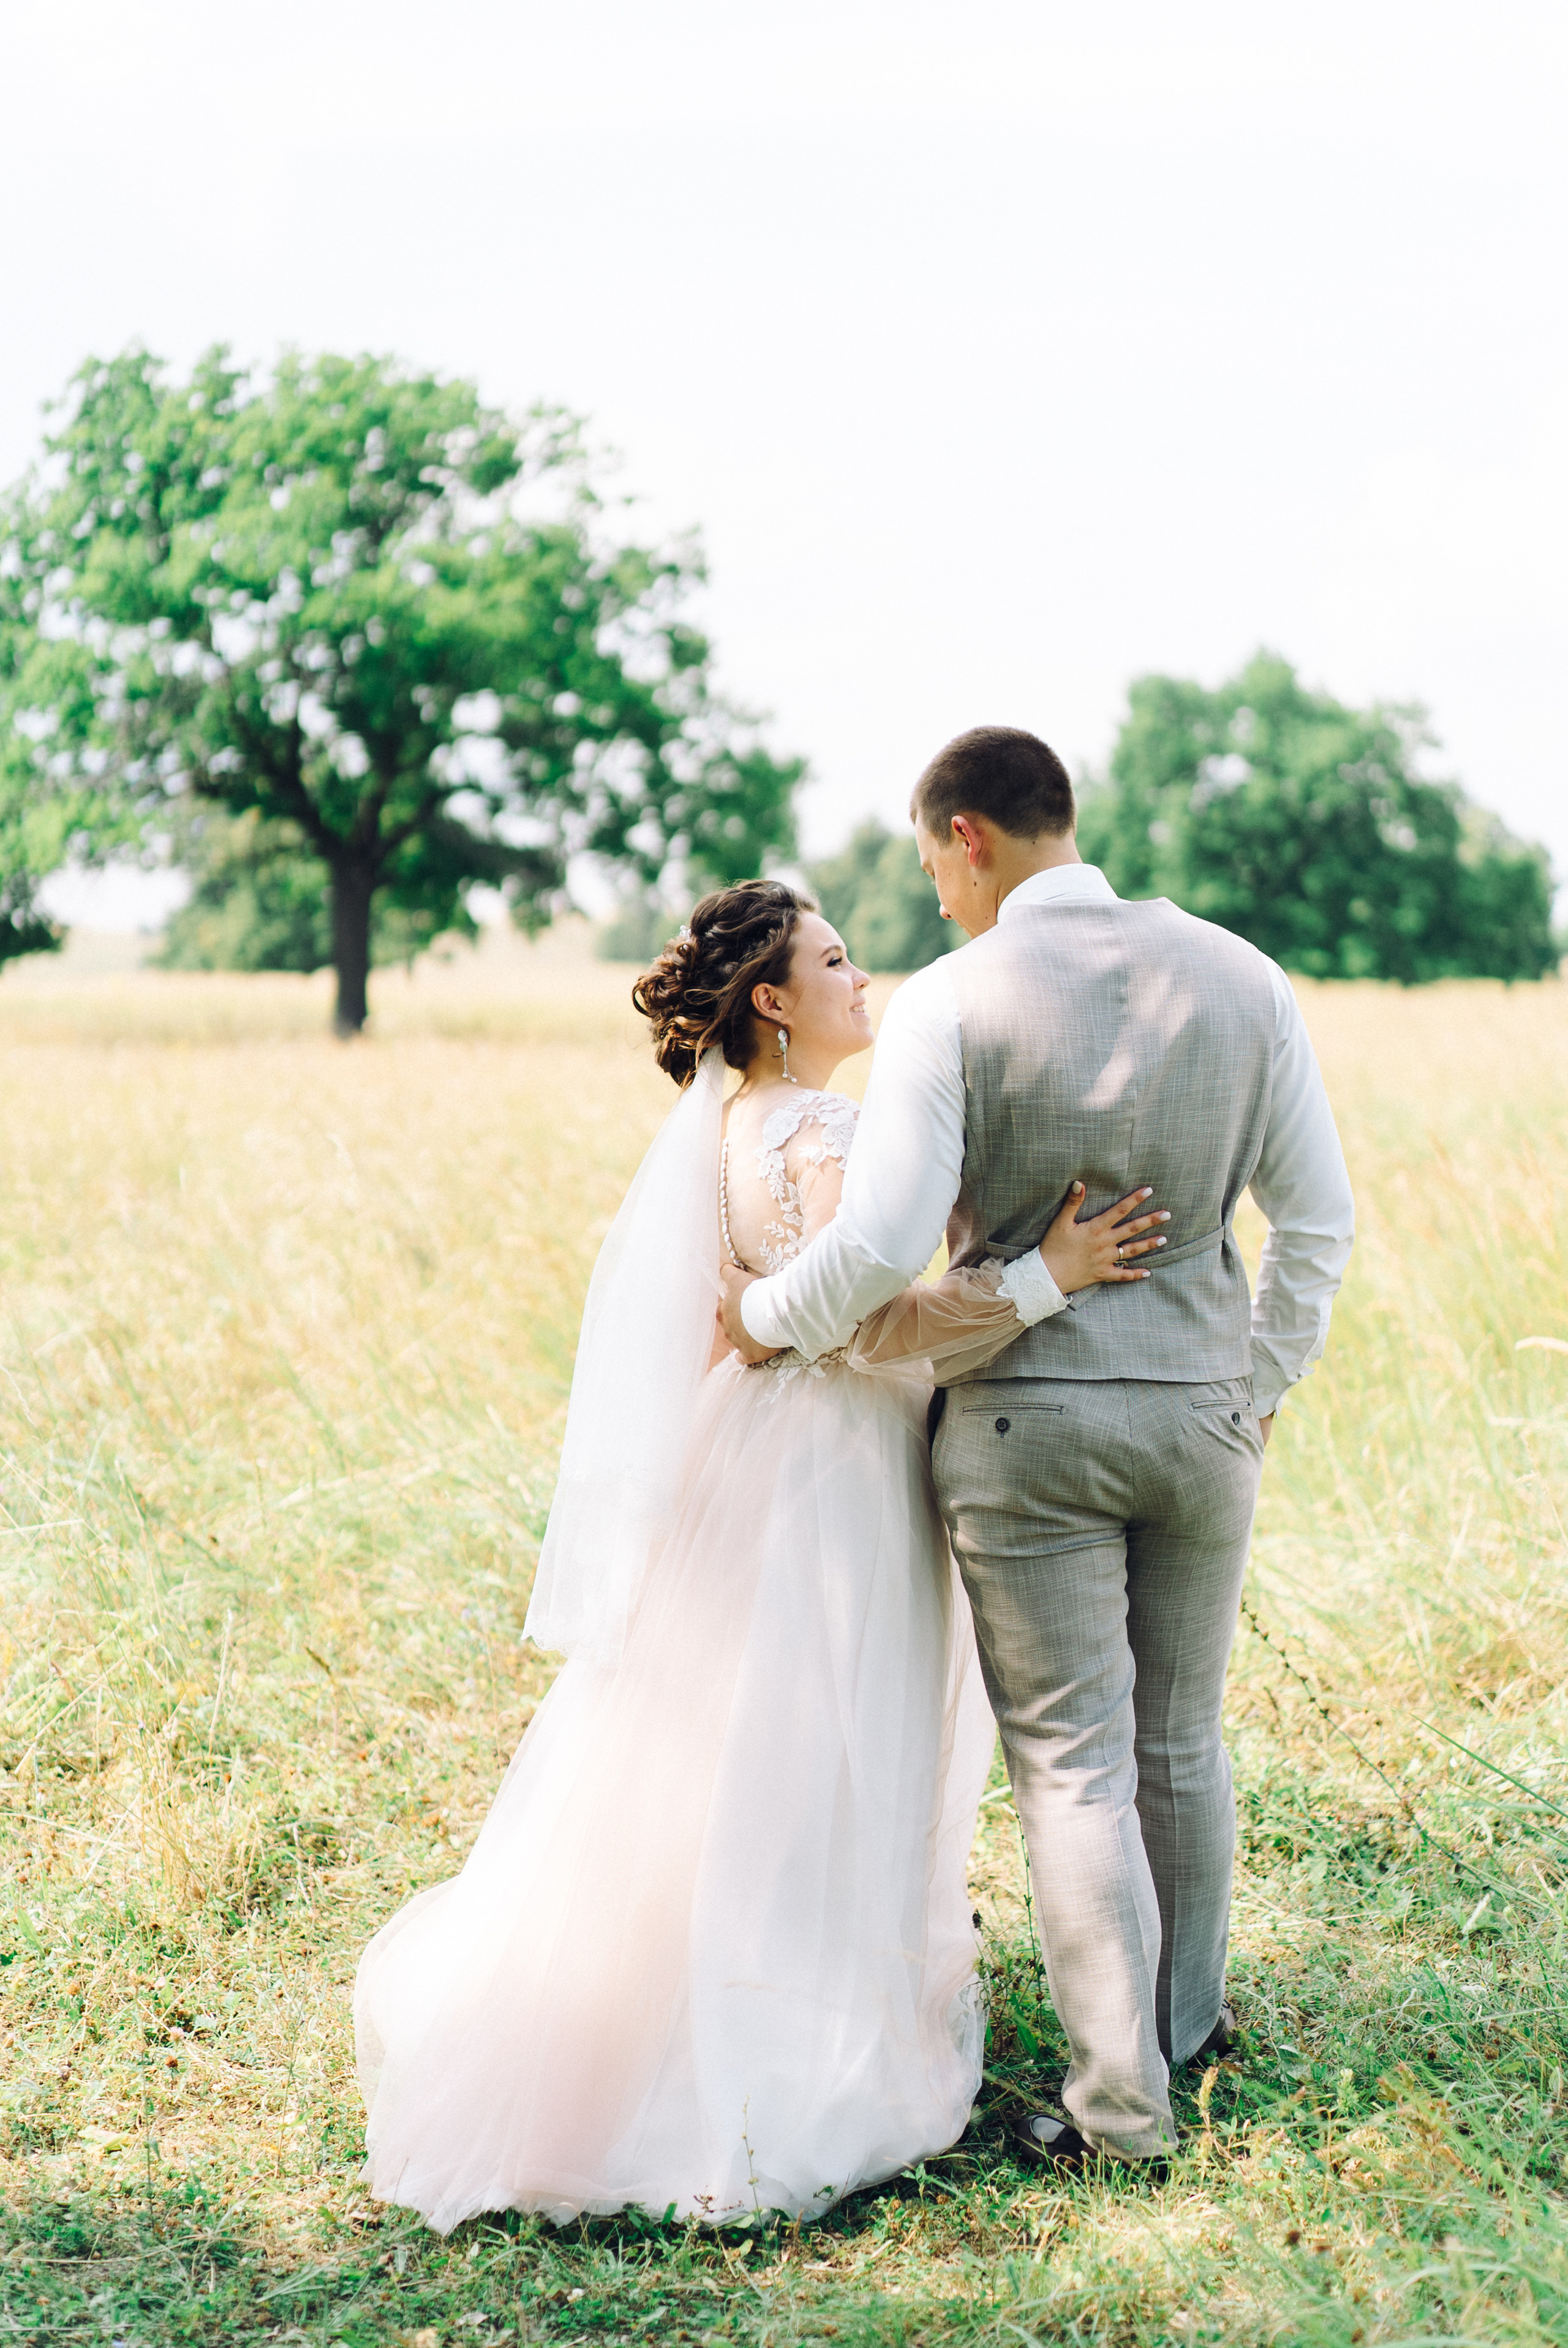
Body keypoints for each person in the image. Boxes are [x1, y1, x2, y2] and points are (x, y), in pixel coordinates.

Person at [353, 878, 1166, 2232]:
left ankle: (671, 2015)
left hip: (745, 1457)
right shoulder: (823, 1126)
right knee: (827, 1748)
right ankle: (790, 2052)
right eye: (835, 961)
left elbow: (759, 1317)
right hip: (835, 1471)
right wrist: (1049, 1277)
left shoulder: (732, 1127)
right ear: (774, 1001)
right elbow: (874, 1322)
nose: (865, 979)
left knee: (723, 1756)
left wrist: (770, 1320)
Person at [722, 728, 1355, 2172]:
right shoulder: (1245, 977)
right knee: (1179, 1740)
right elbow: (1313, 1225)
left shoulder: (953, 1001)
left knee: (1073, 1765)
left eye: (931, 862)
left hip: (1024, 1426)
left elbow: (881, 1245)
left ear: (966, 838)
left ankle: (1119, 2113)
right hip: (1200, 1417)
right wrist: (1249, 1385)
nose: (933, 896)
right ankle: (1183, 2037)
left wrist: (763, 1316)